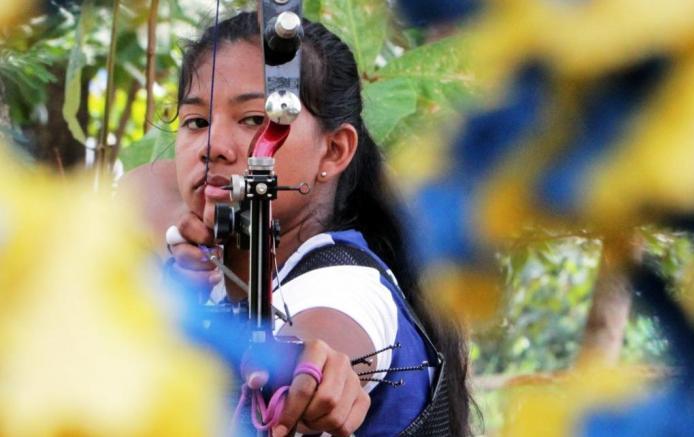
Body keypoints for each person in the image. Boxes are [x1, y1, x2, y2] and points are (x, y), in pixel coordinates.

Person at [122, 11, 472, 437]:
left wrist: (310, 372)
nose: (213, 146)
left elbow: (328, 332)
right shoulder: (212, 267)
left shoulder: (345, 284)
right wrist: (187, 253)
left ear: (334, 151)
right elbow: (142, 186)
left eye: (255, 119)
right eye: (197, 122)